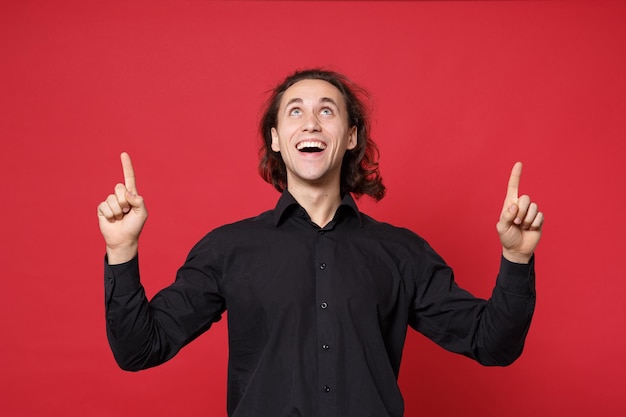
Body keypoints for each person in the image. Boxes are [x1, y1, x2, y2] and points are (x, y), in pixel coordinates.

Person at [98, 69, 543, 417]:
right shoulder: (228, 249)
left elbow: (493, 344)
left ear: (351, 137)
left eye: (327, 110)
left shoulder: (402, 253)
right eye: (294, 111)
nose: (310, 121)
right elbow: (140, 349)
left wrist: (516, 258)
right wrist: (121, 252)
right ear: (275, 139)